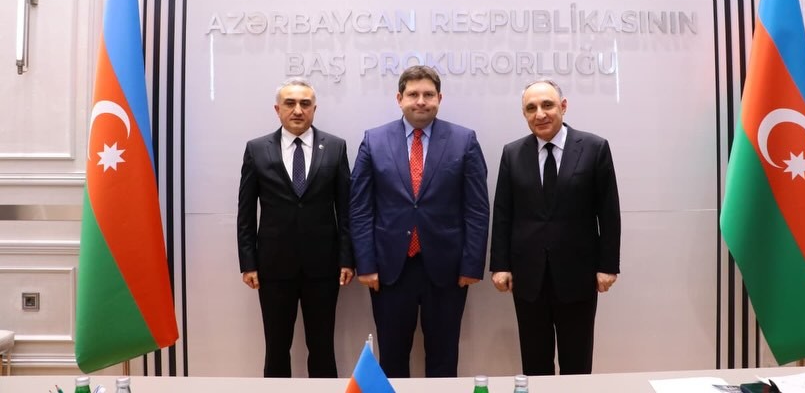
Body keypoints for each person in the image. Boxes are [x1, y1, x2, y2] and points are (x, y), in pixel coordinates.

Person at [349, 65, 489, 378]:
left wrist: (471, 265)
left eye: (428, 94)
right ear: (399, 98)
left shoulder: (464, 140)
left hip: (447, 270)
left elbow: (477, 208)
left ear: (440, 98)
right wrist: (366, 264)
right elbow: (360, 208)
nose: (421, 101)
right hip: (389, 270)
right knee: (392, 358)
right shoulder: (373, 140)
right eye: (413, 94)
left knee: (444, 357)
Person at [489, 78, 621, 375]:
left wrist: (608, 266)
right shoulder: (512, 153)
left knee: (577, 362)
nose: (540, 114)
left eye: (547, 105)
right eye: (531, 108)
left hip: (578, 275)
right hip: (528, 277)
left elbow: (609, 212)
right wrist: (500, 265)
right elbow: (503, 213)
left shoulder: (594, 148)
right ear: (524, 113)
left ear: (563, 106)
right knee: (534, 363)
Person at [237, 78, 354, 378]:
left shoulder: (336, 147)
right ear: (277, 109)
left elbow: (346, 210)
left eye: (305, 104)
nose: (298, 110)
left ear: (315, 108)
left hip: (324, 268)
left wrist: (347, 259)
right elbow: (246, 213)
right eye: (290, 103)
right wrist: (248, 263)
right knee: (276, 349)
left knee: (322, 348)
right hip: (273, 267)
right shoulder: (257, 149)